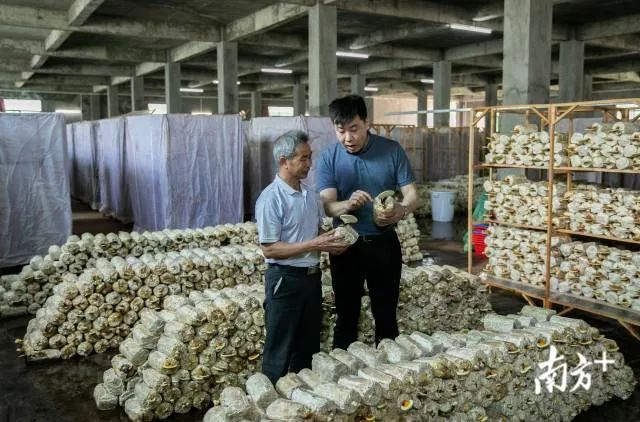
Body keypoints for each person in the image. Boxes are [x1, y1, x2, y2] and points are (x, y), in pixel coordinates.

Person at [316, 94, 418, 350]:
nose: (348, 138)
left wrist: (401, 210)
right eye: (341, 131)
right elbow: (327, 206)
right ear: (334, 128)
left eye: (354, 129)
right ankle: (341, 371)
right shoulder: (329, 157)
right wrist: (348, 205)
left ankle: (389, 377)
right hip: (345, 246)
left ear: (366, 122)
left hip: (384, 244)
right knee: (346, 315)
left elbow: (413, 195)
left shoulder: (391, 150)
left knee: (386, 315)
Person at [255, 129, 348, 384]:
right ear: (284, 161)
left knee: (307, 348)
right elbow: (270, 248)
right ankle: (268, 402)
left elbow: (316, 231)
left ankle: (300, 401)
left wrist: (330, 242)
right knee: (278, 349)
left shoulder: (310, 196)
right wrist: (315, 243)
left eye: (310, 157)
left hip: (311, 279)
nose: (309, 164)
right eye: (303, 158)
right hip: (285, 280)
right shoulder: (271, 199)